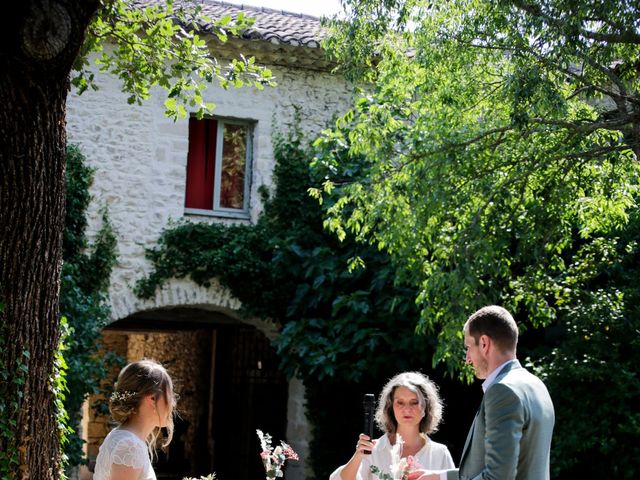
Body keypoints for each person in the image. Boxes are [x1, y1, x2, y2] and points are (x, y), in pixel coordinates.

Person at [409, 305, 555, 480]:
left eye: (468, 347)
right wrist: (438, 477)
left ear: (484, 343)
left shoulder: (503, 391)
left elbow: (497, 477)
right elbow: (501, 468)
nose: (467, 359)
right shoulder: (537, 385)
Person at [330, 371, 455, 480]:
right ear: (390, 407)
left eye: (414, 402)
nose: (407, 409)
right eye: (400, 402)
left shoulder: (440, 453)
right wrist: (358, 456)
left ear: (426, 407)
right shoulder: (372, 450)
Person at [93, 359, 177, 480]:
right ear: (152, 398)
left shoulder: (126, 439)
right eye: (170, 395)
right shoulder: (129, 446)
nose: (173, 403)